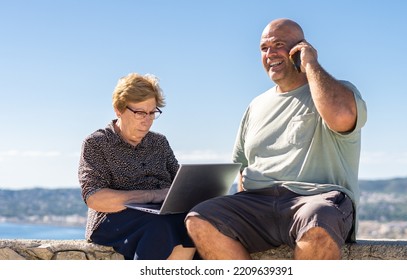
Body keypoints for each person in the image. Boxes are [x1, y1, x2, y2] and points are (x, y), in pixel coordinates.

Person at [185, 18, 367, 260]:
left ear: (299, 49)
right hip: (257, 203)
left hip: (314, 198)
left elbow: (343, 117)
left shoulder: (335, 90)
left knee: (317, 221)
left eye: (278, 44)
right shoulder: (256, 105)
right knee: (200, 218)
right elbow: (243, 166)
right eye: (264, 48)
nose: (270, 53)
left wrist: (310, 63)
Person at [78, 73, 196, 260]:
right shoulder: (97, 143)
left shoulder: (159, 142)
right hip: (112, 220)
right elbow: (95, 199)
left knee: (196, 222)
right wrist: (152, 196)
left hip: (160, 215)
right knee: (161, 227)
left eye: (152, 113)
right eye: (140, 113)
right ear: (119, 109)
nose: (147, 120)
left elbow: (180, 184)